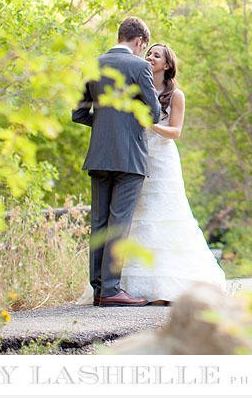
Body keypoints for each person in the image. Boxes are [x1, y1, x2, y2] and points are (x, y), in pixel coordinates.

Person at [120, 42, 227, 304]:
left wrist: (152, 124)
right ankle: (137, 286)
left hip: (163, 159)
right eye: (149, 53)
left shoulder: (176, 95)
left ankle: (172, 284)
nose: (150, 57)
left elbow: (176, 131)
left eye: (157, 55)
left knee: (165, 214)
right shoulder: (137, 91)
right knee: (140, 216)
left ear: (167, 64)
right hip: (139, 155)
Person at [72, 17, 161, 308]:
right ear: (139, 41)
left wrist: (105, 125)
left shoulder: (93, 64)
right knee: (118, 222)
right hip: (130, 157)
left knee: (99, 223)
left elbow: (78, 113)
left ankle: (99, 288)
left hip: (98, 155)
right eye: (144, 47)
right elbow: (155, 114)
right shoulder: (140, 67)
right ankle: (110, 291)